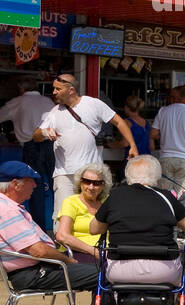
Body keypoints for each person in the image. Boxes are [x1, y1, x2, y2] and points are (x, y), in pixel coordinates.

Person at [88, 155, 185, 305]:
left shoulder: (116, 197)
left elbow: (94, 229)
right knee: (168, 288)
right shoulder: (166, 197)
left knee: (124, 289)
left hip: (120, 269)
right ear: (156, 177)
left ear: (128, 176)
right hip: (161, 269)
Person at [0, 160, 99, 305]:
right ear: (15, 184)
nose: (35, 185)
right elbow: (38, 251)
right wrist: (67, 260)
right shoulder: (7, 210)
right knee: (106, 276)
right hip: (32, 273)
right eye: (31, 180)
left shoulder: (7, 206)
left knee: (103, 271)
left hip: (37, 268)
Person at [34, 73, 136, 215]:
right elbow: (35, 136)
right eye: (54, 88)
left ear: (71, 90)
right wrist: (45, 132)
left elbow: (119, 121)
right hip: (65, 174)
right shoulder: (54, 112)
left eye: (58, 89)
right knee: (63, 215)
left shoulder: (93, 104)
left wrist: (133, 145)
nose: (54, 92)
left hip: (91, 173)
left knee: (93, 215)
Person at [0, 77, 55, 228]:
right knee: (54, 186)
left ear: (21, 89)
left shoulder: (18, 102)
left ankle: (39, 228)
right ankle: (58, 226)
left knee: (33, 187)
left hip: (32, 147)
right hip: (51, 145)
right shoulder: (48, 102)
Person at [150, 82, 185, 194]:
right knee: (183, 198)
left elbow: (153, 134)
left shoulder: (163, 111)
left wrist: (167, 136)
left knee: (164, 196)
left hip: (166, 158)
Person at [55, 162, 113, 262]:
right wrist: (93, 251)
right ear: (80, 182)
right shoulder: (71, 202)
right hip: (80, 253)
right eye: (87, 181)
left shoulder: (108, 202)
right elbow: (62, 236)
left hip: (108, 252)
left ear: (104, 185)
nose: (91, 187)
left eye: (96, 183)